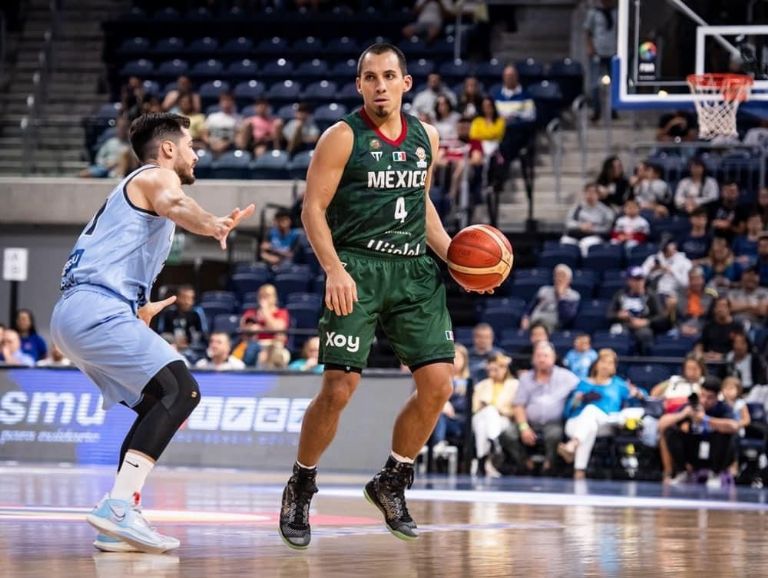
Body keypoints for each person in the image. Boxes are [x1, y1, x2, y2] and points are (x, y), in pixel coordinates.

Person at [278, 43, 486, 549]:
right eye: (370, 77)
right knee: (338, 389)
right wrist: (334, 270)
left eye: (389, 76)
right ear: (359, 85)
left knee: (439, 385)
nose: (380, 85)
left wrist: (456, 258)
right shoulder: (341, 137)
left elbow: (421, 207)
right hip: (357, 269)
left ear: (406, 83)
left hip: (414, 270)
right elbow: (312, 211)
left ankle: (391, 481)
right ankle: (301, 483)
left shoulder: (427, 138)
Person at [50, 112, 254, 554]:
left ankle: (118, 516)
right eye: (189, 145)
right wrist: (214, 224)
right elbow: (178, 207)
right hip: (94, 307)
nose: (195, 154)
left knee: (156, 403)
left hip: (81, 311)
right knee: (183, 391)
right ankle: (118, 507)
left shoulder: (135, 191)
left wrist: (138, 306)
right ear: (167, 150)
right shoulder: (157, 178)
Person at [558, 349, 643, 479]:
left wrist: (637, 393)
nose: (605, 366)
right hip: (576, 422)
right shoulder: (583, 383)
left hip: (606, 423)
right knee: (590, 426)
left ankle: (573, 448)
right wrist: (577, 400)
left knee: (591, 410)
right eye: (603, 361)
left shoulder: (619, 384)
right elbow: (567, 410)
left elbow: (642, 396)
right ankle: (579, 470)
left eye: (610, 363)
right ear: (596, 364)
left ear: (614, 368)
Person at [500, 341, 579, 474]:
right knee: (508, 434)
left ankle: (549, 467)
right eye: (538, 356)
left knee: (554, 435)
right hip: (529, 422)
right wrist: (524, 427)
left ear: (554, 358)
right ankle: (525, 463)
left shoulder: (566, 377)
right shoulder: (525, 378)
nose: (542, 359)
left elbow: (582, 387)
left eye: (546, 356)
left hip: (554, 423)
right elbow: (518, 405)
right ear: (533, 359)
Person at [659, 377, 739, 487]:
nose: (704, 400)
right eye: (702, 395)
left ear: (717, 397)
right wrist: (683, 415)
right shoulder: (691, 406)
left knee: (725, 433)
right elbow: (661, 424)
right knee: (670, 431)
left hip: (714, 453)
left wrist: (706, 419)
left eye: (710, 397)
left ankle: (715, 474)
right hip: (694, 452)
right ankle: (682, 472)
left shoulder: (723, 408)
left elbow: (734, 426)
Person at [471, 352, 518, 477]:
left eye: (496, 369)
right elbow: (474, 408)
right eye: (490, 369)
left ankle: (481, 459)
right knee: (487, 414)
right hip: (481, 416)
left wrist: (497, 410)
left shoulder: (515, 385)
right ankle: (493, 442)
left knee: (484, 424)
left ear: (504, 368)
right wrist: (486, 407)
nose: (493, 372)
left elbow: (515, 409)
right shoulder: (481, 385)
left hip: (503, 419)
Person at [520, 263, 580, 333]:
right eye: (557, 275)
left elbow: (566, 317)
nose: (559, 278)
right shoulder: (544, 290)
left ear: (569, 280)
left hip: (550, 328)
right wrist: (525, 317)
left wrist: (561, 296)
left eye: (562, 276)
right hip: (534, 323)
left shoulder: (573, 296)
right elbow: (530, 308)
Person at [560, 182, 615, 258]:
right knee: (565, 241)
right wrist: (580, 226)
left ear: (598, 195)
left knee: (585, 244)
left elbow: (607, 228)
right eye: (588, 192)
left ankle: (584, 267)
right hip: (577, 233)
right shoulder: (577, 207)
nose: (590, 195)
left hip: (594, 235)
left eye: (593, 192)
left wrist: (593, 229)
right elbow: (568, 223)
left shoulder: (605, 210)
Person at [584, 0, 617, 121]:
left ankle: (613, 109)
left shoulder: (616, 13)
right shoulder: (593, 13)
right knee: (595, 82)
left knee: (614, 81)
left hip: (612, 51)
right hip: (597, 51)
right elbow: (588, 31)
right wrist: (590, 47)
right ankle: (596, 110)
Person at [154, 284, 208, 349]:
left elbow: (203, 334)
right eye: (185, 298)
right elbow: (160, 333)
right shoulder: (168, 313)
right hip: (172, 347)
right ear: (178, 298)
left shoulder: (196, 313)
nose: (187, 302)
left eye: (191, 298)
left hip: (192, 348)